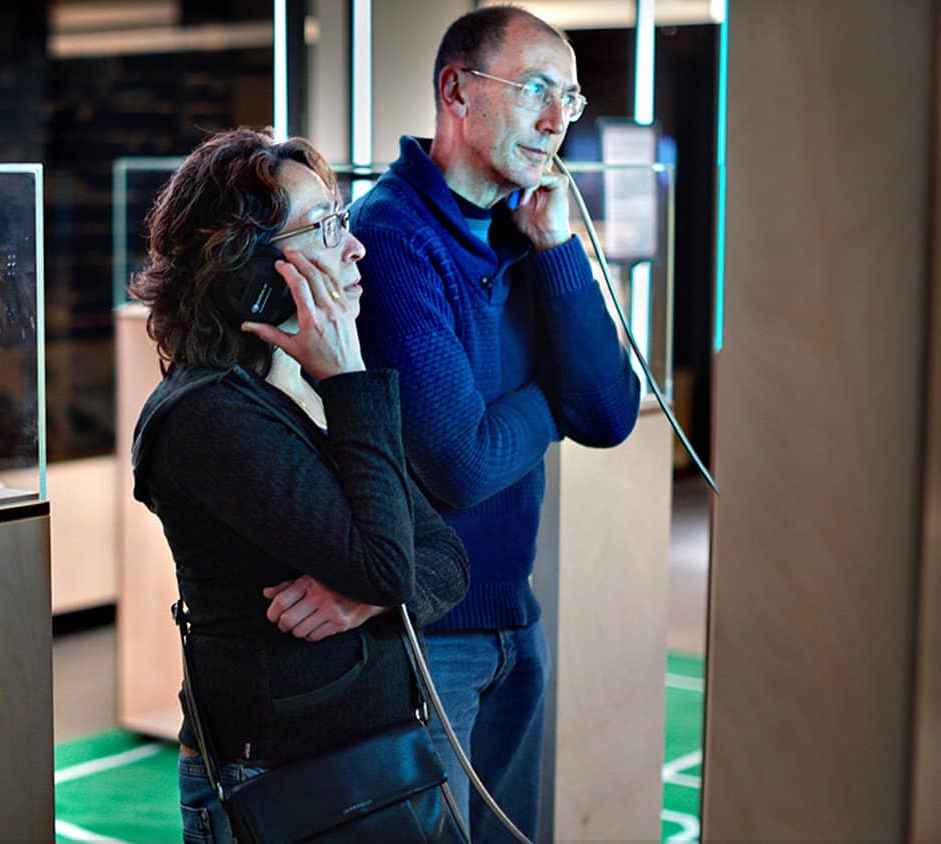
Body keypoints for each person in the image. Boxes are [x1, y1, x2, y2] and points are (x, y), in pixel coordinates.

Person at [348, 6, 642, 842]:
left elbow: (613, 414)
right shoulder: (394, 236)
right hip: (427, 635)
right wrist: (556, 396)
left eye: (571, 100)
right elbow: (463, 462)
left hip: (517, 617)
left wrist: (556, 248)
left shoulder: (526, 229)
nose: (557, 121)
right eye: (537, 90)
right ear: (457, 92)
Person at [129, 128, 471, 844]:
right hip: (285, 782)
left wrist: (364, 599)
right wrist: (348, 382)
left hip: (371, 759)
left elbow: (443, 560)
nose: (354, 247)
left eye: (342, 220)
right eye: (323, 227)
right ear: (247, 269)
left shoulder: (290, 387)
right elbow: (391, 564)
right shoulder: (205, 417)